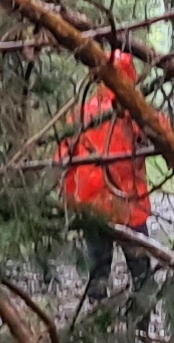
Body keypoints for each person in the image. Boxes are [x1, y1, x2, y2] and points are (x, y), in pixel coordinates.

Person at [58, 46, 155, 317]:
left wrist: (71, 200)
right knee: (141, 272)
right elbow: (157, 138)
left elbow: (65, 158)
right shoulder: (135, 112)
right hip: (128, 208)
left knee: (99, 269)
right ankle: (142, 328)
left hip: (95, 207)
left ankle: (97, 323)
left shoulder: (82, 113)